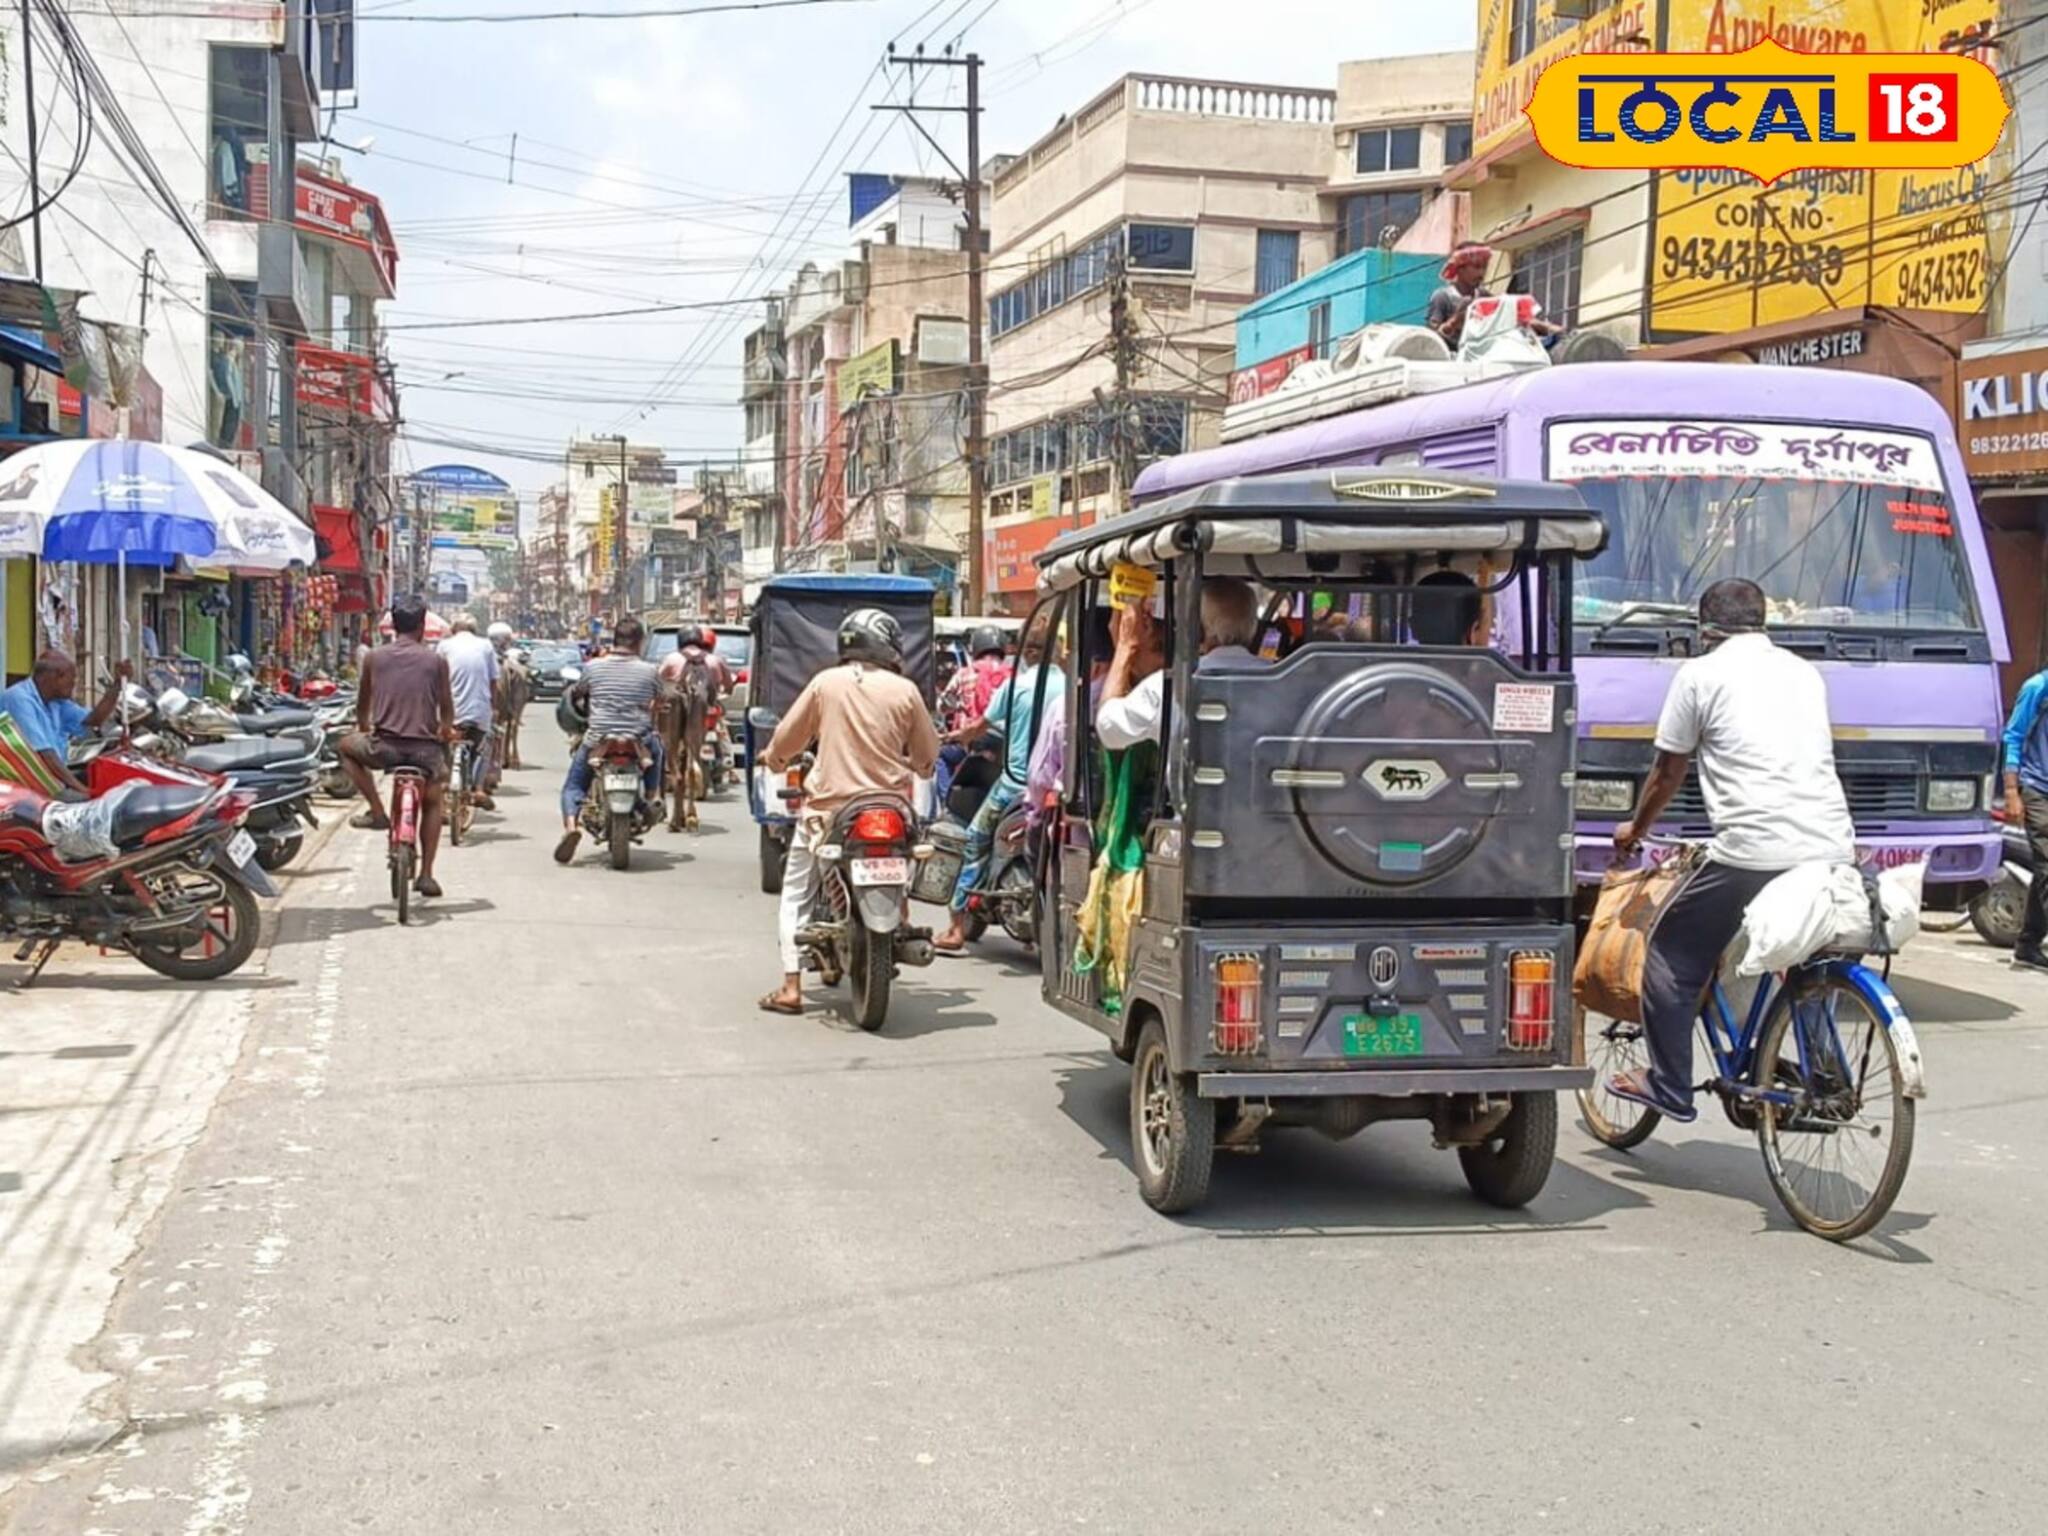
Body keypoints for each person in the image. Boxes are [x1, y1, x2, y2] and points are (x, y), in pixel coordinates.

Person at [1609, 578, 1856, 1121]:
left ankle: (1670, 1085)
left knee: (1671, 957)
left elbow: (1668, 772)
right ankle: (1828, 1080)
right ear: (1762, 621)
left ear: (1705, 630)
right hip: (1832, 846)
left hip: (1750, 850)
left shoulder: (1699, 675)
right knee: (1810, 959)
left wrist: (1635, 829)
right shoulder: (1803, 673)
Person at [758, 608, 940, 1015]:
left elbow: (789, 738)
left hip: (830, 813)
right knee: (906, 858)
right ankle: (902, 917)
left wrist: (773, 757)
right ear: (889, 645)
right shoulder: (906, 690)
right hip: (891, 809)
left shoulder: (826, 683)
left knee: (795, 892)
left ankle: (791, 985)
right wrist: (921, 766)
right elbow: (928, 756)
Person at [935, 618, 1066, 953]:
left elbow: (979, 727)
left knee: (974, 840)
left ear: (1025, 651)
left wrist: (952, 736)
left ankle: (955, 927)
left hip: (1014, 785)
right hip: (1059, 787)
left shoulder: (1016, 687)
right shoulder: (1070, 685)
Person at [339, 594, 457, 900]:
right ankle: (427, 874)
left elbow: (362, 704)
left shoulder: (375, 658)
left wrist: (364, 728)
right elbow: (446, 708)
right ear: (421, 625)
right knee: (432, 801)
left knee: (344, 747)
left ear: (392, 624)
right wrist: (445, 730)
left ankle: (378, 811)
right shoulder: (436, 661)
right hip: (426, 752)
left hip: (384, 748)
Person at [1096, 576, 1264, 751]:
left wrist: (1125, 646)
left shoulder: (1169, 687)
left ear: (1197, 630)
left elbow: (1108, 729)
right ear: (1254, 627)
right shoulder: (1285, 682)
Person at [554, 616, 662, 864]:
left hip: (599, 738)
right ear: (640, 642)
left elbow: (577, 694)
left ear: (615, 640)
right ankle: (652, 797)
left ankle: (571, 826)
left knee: (574, 786)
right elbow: (662, 698)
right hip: (638, 739)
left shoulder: (593, 667)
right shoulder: (650, 671)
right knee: (657, 749)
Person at [0, 652, 132, 793]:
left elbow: (94, 720)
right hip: (29, 785)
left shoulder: (57, 702)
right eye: (73, 677)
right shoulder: (19, 699)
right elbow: (45, 754)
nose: (74, 683)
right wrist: (83, 790)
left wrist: (117, 685)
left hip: (52, 777)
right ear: (57, 676)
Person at [2000, 660, 2048, 971]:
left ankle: (2028, 944)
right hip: (2037, 787)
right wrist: (2011, 791)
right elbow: (2013, 737)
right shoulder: (2037, 688)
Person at [439, 614, 501, 811]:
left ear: (454, 629)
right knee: (484, 746)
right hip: (479, 712)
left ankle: (442, 791)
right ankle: (478, 788)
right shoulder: (485, 646)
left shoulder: (444, 646)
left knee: (442, 749)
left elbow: (435, 680)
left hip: (450, 713)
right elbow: (494, 682)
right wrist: (493, 709)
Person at [1425, 243, 1494, 349]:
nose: (1481, 273)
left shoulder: (1485, 297)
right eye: (1476, 267)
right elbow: (1430, 340)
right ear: (1459, 268)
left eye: (1484, 267)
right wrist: (1454, 322)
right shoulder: (1442, 297)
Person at [1408, 569, 1488, 648]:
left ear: (1413, 627)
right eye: (1477, 628)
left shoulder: (1399, 660)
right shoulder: (1487, 660)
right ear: (1472, 632)